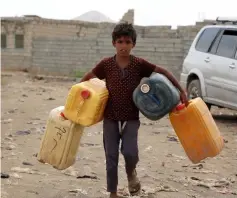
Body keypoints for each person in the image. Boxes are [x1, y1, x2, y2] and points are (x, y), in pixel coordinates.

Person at [80, 22, 188, 198]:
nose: (123, 46)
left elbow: (163, 71)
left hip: (131, 118)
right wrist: (75, 96)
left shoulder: (138, 64)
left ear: (133, 44)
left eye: (127, 42)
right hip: (110, 118)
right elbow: (87, 79)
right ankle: (113, 193)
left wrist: (181, 91)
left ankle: (131, 174)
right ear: (114, 43)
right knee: (111, 157)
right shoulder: (106, 64)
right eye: (120, 41)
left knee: (130, 153)